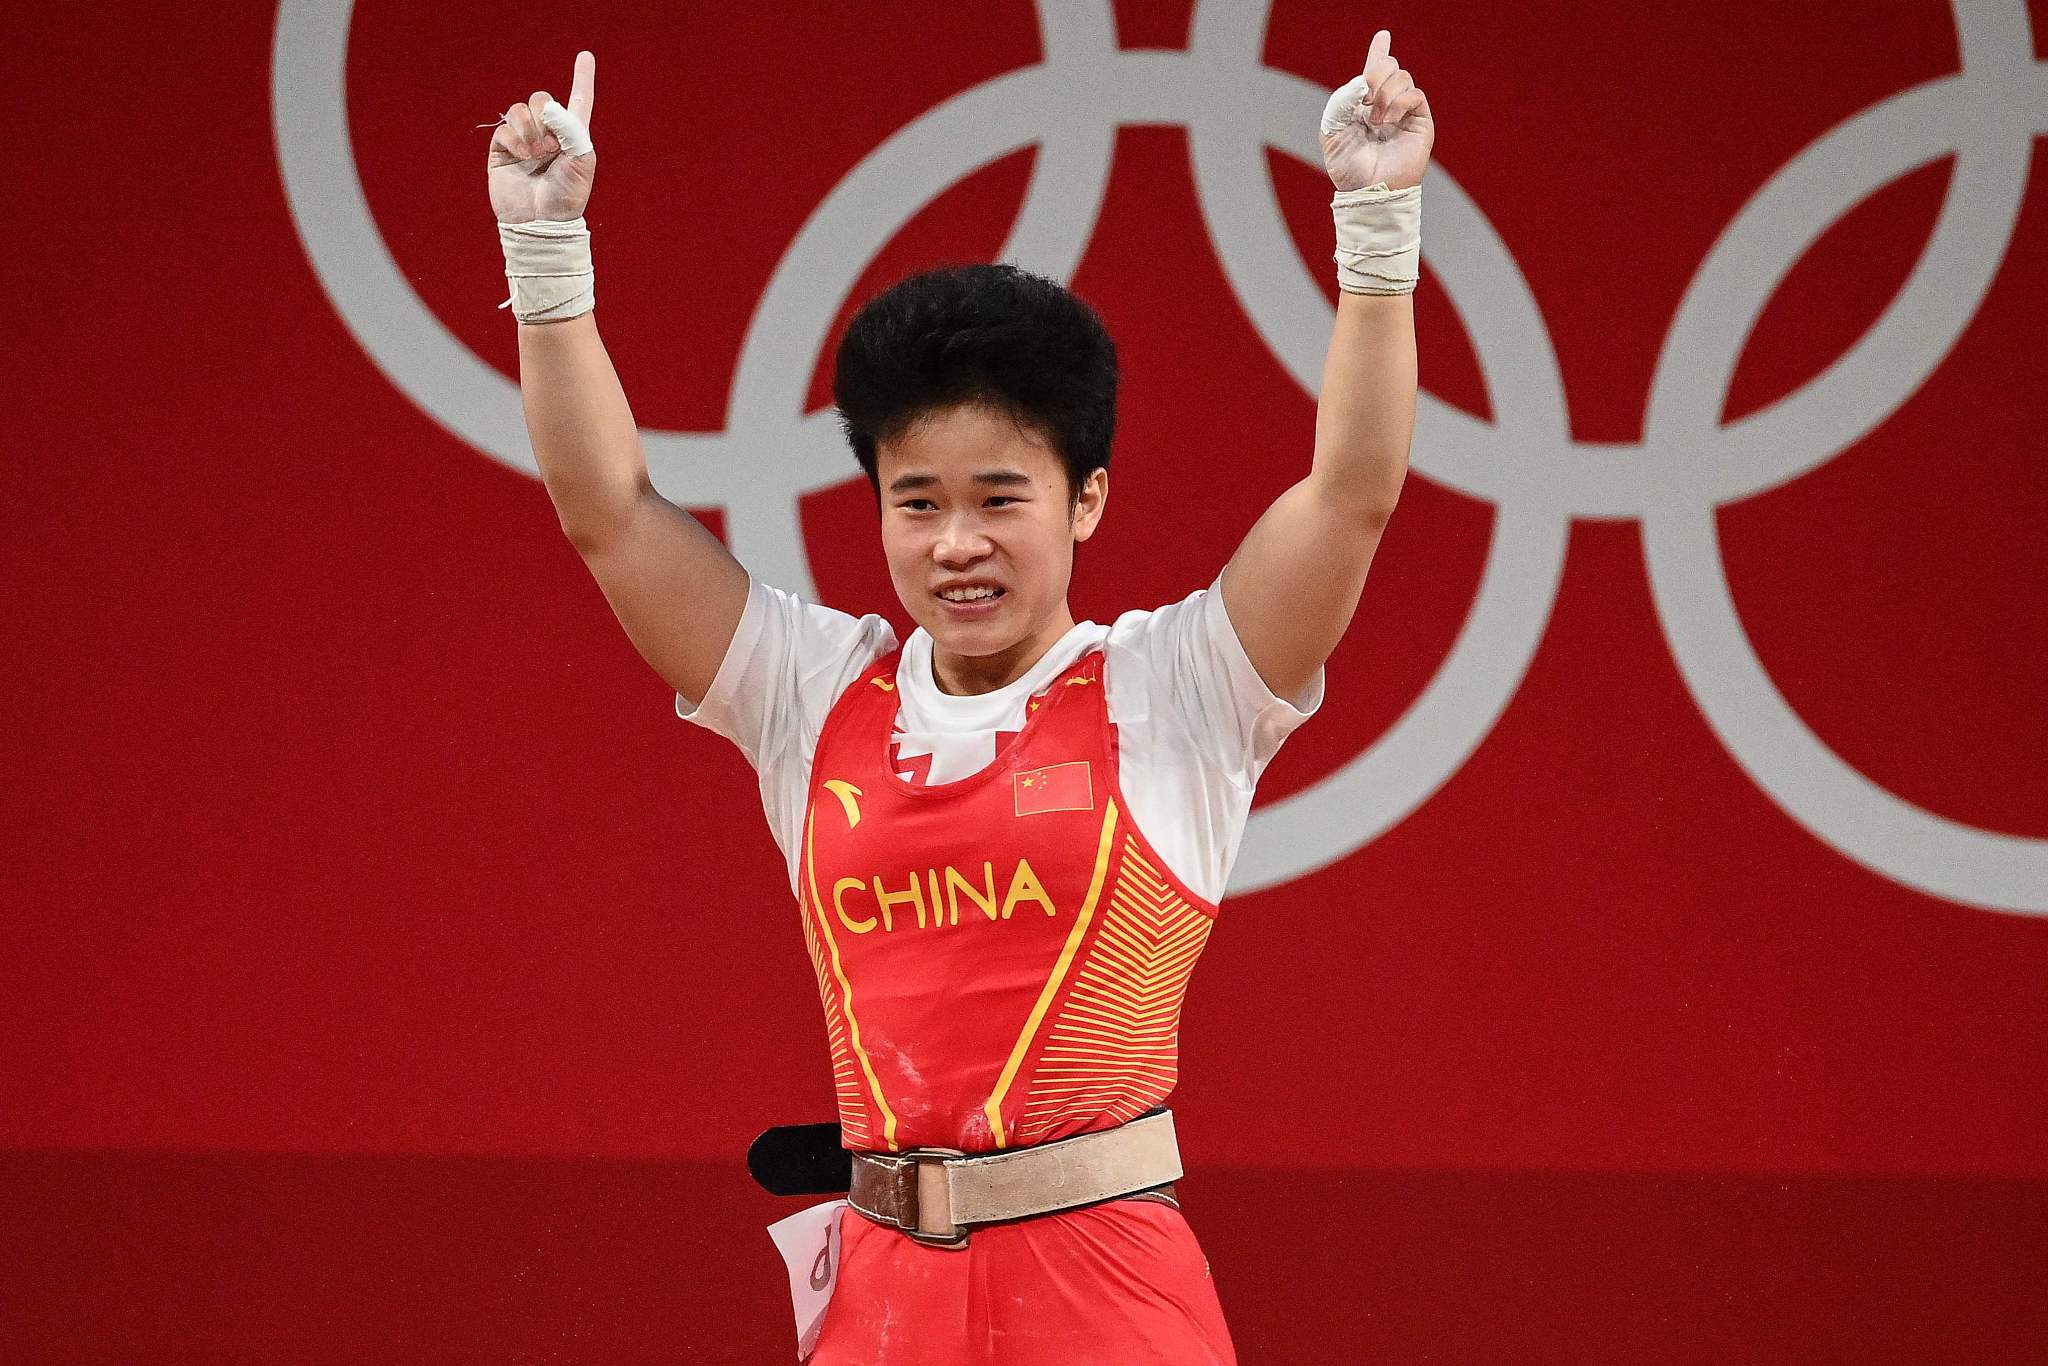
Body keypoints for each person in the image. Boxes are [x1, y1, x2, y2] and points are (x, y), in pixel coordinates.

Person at [488, 30, 1432, 1364]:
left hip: (1109, 1294)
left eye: (1000, 498)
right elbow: (610, 514)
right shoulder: (811, 692)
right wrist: (545, 253)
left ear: (1086, 499)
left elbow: (1352, 495)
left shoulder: (1180, 684)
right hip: (881, 1303)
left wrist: (1377, 225)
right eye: (917, 502)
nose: (956, 544)